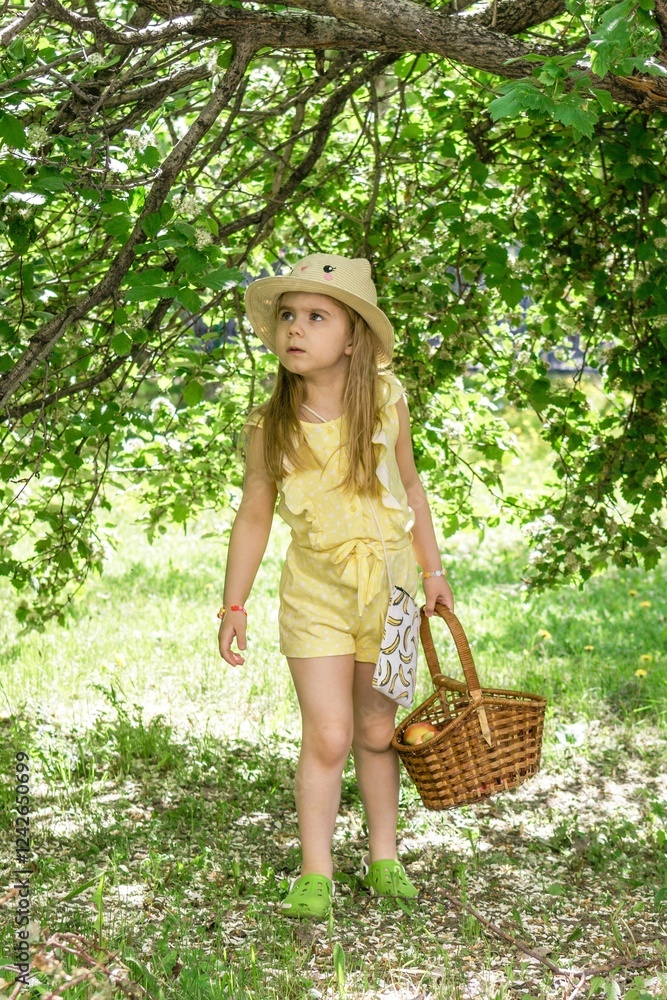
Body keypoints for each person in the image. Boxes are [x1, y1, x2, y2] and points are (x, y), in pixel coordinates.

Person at [218, 253, 454, 919]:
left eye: (315, 317)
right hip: (314, 594)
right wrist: (233, 604)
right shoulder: (271, 425)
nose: (295, 328)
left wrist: (432, 573)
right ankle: (314, 871)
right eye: (287, 316)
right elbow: (254, 515)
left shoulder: (386, 402)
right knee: (328, 734)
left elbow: (409, 486)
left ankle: (384, 856)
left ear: (351, 336)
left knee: (377, 731)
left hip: (393, 591)